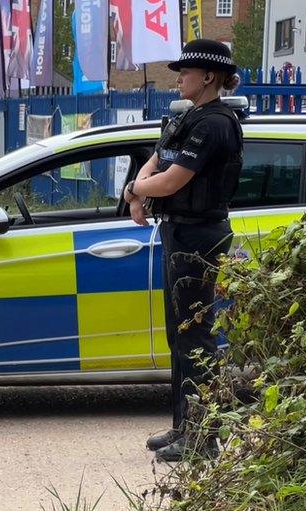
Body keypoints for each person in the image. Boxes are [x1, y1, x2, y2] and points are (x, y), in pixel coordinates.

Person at [123, 39, 243, 462]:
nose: (178, 78)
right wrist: (138, 191)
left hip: (200, 238)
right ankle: (184, 426)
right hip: (179, 234)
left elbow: (172, 181)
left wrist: (135, 191)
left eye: (185, 71)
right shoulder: (189, 117)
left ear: (208, 76)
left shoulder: (215, 123)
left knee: (196, 337)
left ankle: (204, 437)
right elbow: (155, 161)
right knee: (180, 334)